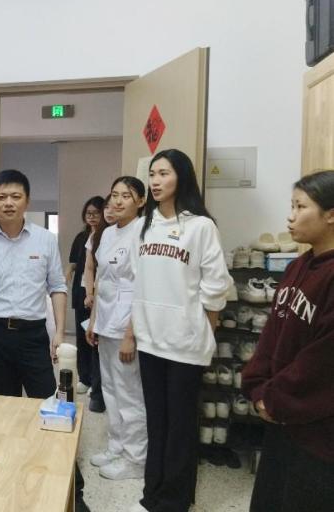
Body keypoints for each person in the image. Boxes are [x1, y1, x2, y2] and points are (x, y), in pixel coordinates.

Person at [129, 149, 232, 512]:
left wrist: (206, 332)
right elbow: (138, 281)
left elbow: (215, 287)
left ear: (182, 177)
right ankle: (152, 494)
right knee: (156, 423)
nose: (155, 181)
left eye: (164, 174)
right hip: (150, 341)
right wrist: (134, 331)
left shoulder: (201, 226)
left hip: (185, 344)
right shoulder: (144, 226)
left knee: (181, 427)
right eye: (152, 174)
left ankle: (174, 502)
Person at [242, 170, 334, 512]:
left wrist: (273, 398)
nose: (290, 216)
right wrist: (257, 386)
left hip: (317, 432)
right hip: (280, 418)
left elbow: (321, 361)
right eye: (291, 206)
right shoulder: (297, 266)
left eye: (300, 207)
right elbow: (273, 334)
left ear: (331, 214)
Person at [0, 169, 67, 397]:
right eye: (1, 197)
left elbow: (57, 287)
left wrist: (59, 332)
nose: (8, 203)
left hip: (33, 335)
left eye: (16, 196)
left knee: (45, 401)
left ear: (27, 201)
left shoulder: (46, 240)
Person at [86, 177, 148, 481]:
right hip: (106, 321)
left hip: (126, 325)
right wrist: (94, 320)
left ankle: (135, 459)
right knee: (110, 389)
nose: (118, 201)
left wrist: (129, 335)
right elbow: (100, 280)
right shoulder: (108, 232)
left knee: (129, 394)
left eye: (127, 195)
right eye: (114, 195)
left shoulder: (143, 231)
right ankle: (116, 447)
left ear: (141, 201)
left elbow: (143, 285)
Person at [67, 196, 105, 395]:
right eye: (88, 213)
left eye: (96, 213)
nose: (92, 217)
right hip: (81, 291)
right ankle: (84, 378)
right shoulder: (81, 237)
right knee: (82, 337)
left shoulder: (106, 235)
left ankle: (97, 380)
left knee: (96, 337)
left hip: (99, 292)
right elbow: (74, 264)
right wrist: (65, 276)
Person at [83, 195, 116, 412]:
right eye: (107, 207)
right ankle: (97, 394)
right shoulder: (97, 235)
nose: (110, 211)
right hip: (99, 298)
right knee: (96, 346)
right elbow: (90, 267)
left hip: (121, 304)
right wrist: (90, 293)